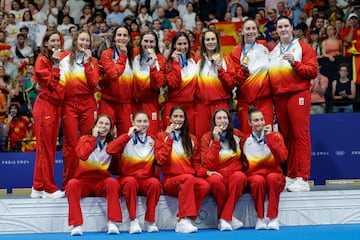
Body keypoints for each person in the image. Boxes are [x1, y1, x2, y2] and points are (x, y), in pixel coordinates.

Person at [268, 16, 318, 192]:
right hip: (280, 98)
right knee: (288, 138)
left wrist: (294, 63)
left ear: (291, 28)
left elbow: (312, 71)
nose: (283, 29)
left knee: (301, 136)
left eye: (285, 26)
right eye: (279, 27)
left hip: (298, 94)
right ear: (276, 30)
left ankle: (303, 178)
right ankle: (291, 175)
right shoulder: (274, 51)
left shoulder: (303, 48)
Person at [154, 106, 210, 233]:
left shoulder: (192, 139)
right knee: (188, 178)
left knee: (204, 185)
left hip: (188, 180)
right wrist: (169, 139)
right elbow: (159, 160)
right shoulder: (161, 136)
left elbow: (195, 163)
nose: (178, 119)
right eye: (175, 116)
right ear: (169, 118)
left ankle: (187, 219)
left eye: (181, 117)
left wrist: (206, 172)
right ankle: (182, 220)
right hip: (170, 181)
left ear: (185, 119)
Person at [66, 114, 122, 236]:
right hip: (83, 181)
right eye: (100, 123)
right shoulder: (84, 139)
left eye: (107, 124)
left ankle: (112, 223)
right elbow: (83, 155)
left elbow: (116, 168)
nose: (103, 126)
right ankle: (76, 225)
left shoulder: (111, 144)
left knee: (112, 182)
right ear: (94, 126)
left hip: (101, 182)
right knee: (71, 184)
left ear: (110, 128)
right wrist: (93, 137)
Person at [107, 111, 161, 234]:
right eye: (139, 121)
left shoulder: (153, 139)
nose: (142, 124)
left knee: (155, 183)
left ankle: (150, 221)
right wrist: (128, 136)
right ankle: (133, 220)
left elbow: (160, 159)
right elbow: (110, 149)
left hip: (146, 179)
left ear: (149, 123)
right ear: (133, 123)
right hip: (128, 178)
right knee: (130, 182)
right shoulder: (126, 138)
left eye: (145, 121)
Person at [60, 29, 99, 189]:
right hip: (69, 104)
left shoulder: (93, 61)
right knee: (70, 143)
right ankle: (69, 182)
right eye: (82, 40)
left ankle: (88, 181)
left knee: (88, 141)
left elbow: (94, 83)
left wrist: (89, 63)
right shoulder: (64, 58)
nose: (84, 43)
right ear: (76, 41)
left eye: (87, 41)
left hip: (88, 103)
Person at [200, 108, 247, 231]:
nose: (222, 121)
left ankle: (224, 218)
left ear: (229, 120)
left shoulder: (238, 135)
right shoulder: (206, 138)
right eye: (219, 118)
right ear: (214, 121)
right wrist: (216, 140)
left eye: (225, 118)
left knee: (240, 177)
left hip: (234, 173)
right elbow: (209, 164)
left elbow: (246, 157)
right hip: (217, 173)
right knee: (215, 180)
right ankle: (228, 217)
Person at [30, 30, 65, 199]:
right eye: (52, 40)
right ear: (45, 43)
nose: (56, 43)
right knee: (47, 149)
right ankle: (48, 189)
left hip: (54, 107)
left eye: (58, 40)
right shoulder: (42, 61)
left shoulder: (53, 59)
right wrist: (57, 65)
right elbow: (51, 83)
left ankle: (37, 187)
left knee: (46, 148)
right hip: (45, 107)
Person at [242, 106, 288, 230]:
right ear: (249, 123)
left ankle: (273, 218)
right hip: (255, 177)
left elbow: (282, 158)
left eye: (262, 119)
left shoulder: (275, 136)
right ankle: (260, 218)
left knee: (272, 178)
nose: (260, 123)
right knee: (257, 180)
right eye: (256, 120)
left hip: (275, 176)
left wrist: (270, 138)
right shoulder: (244, 141)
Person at [230, 18, 273, 134]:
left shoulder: (265, 46)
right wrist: (243, 72)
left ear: (257, 31)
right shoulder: (236, 52)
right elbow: (234, 80)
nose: (251, 31)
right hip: (246, 102)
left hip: (265, 101)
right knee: (247, 138)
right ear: (242, 31)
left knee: (268, 137)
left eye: (253, 28)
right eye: (247, 29)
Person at [195, 30, 236, 139]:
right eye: (207, 39)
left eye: (213, 39)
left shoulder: (226, 59)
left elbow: (231, 85)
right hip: (202, 106)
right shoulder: (197, 60)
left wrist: (220, 70)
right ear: (203, 42)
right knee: (202, 137)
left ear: (217, 41)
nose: (210, 42)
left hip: (220, 105)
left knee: (222, 138)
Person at [99, 25, 134, 136]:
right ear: (114, 38)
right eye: (119, 35)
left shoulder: (134, 55)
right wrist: (123, 56)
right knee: (105, 135)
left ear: (129, 38)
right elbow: (113, 74)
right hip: (108, 102)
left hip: (126, 103)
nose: (122, 38)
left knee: (125, 137)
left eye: (125, 35)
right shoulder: (107, 54)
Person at [133, 30, 166, 135]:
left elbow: (159, 84)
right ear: (141, 42)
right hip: (133, 103)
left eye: (151, 42)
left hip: (151, 102)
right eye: (146, 41)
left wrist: (153, 66)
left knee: (151, 135)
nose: (148, 44)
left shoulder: (160, 59)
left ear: (156, 44)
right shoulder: (134, 55)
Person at [164, 32, 197, 134]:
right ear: (174, 45)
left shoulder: (194, 61)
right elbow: (173, 83)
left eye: (185, 44)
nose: (182, 47)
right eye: (179, 44)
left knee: (189, 138)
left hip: (190, 107)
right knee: (171, 138)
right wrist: (176, 63)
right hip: (173, 106)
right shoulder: (168, 63)